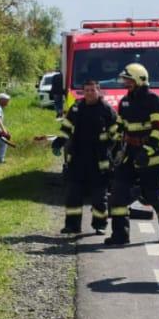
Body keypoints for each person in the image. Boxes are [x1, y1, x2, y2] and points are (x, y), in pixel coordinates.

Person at [106, 63, 159, 247]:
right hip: (129, 154)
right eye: (124, 80)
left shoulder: (154, 101)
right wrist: (112, 146)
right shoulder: (125, 101)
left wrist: (147, 150)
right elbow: (121, 126)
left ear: (140, 80)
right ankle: (120, 235)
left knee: (153, 196)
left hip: (151, 156)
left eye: (128, 80)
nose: (125, 83)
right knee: (118, 194)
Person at [52, 79, 116, 235]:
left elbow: (115, 134)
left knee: (99, 197)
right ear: (83, 92)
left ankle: (100, 225)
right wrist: (58, 143)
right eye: (87, 90)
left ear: (98, 91)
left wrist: (110, 150)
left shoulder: (106, 110)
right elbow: (66, 128)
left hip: (98, 160)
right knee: (73, 194)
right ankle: (72, 226)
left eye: (92, 90)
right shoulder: (76, 108)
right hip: (77, 158)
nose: (89, 93)